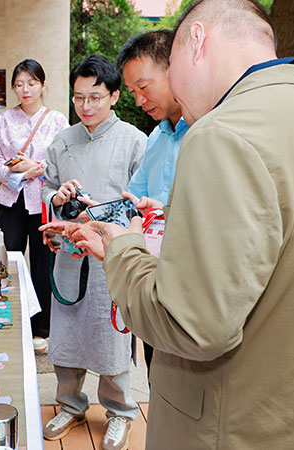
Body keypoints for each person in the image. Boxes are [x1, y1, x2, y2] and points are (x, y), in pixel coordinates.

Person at [67, 0, 294, 448]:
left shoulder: (220, 134)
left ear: (197, 42)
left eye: (170, 68)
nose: (173, 87)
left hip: (227, 422)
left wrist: (123, 249)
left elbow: (190, 325)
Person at [40, 54, 146, 450]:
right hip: (70, 253)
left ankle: (120, 411)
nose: (86, 106)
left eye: (95, 97)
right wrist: (59, 196)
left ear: (115, 96)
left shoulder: (136, 141)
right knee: (67, 333)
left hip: (111, 258)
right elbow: (48, 189)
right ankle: (70, 404)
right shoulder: (62, 141)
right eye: (78, 97)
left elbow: (138, 206)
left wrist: (96, 216)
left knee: (111, 334)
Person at [117, 30, 190, 374]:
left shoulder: (208, 132)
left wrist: (164, 210)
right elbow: (134, 196)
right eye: (132, 92)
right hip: (153, 276)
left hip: (189, 282)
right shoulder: (156, 137)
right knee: (154, 367)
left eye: (144, 87)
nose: (139, 100)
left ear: (174, 70)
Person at [0, 59, 69, 352]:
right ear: (13, 87)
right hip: (10, 201)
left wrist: (35, 167)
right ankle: (5, 320)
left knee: (41, 263)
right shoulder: (3, 121)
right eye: (20, 84)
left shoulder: (58, 121)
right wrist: (22, 172)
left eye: (32, 83)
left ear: (43, 85)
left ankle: (41, 328)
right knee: (6, 261)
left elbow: (62, 160)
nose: (25, 89)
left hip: (43, 202)